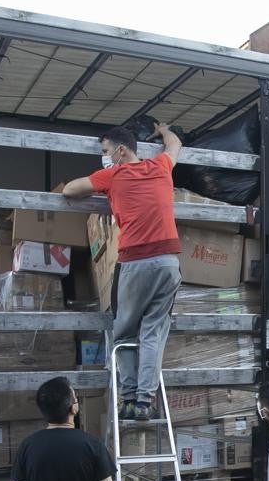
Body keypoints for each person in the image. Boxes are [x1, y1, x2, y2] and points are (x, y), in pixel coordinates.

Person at [63, 122, 184, 421]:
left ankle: (128, 398)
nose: (104, 157)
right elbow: (175, 145)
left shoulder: (113, 174)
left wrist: (103, 184)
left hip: (135, 262)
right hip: (168, 263)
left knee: (123, 333)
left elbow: (70, 190)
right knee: (153, 332)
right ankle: (145, 402)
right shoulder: (160, 166)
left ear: (120, 150)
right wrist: (164, 130)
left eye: (105, 151)